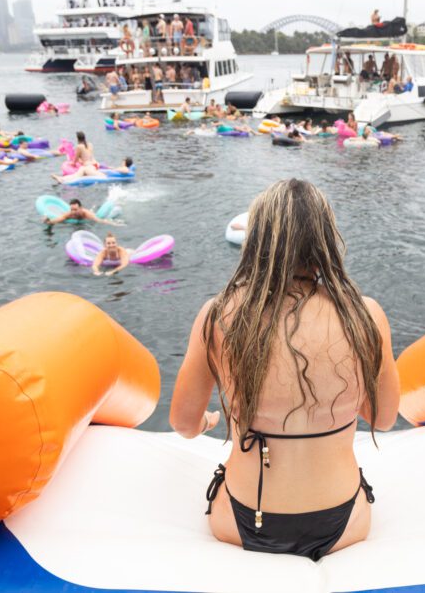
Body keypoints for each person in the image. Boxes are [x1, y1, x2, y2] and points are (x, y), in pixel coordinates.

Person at [170, 179, 399, 561]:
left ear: (257, 240)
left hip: (243, 519)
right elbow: (385, 418)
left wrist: (207, 422)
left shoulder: (219, 315)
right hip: (342, 521)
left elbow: (182, 422)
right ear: (326, 240)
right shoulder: (366, 315)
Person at [43, 198, 113, 225]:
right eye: (72, 210)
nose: (73, 212)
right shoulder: (69, 214)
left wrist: (113, 224)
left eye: (75, 210)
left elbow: (99, 220)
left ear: (80, 208)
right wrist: (48, 220)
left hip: (90, 218)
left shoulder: (86, 214)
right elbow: (57, 220)